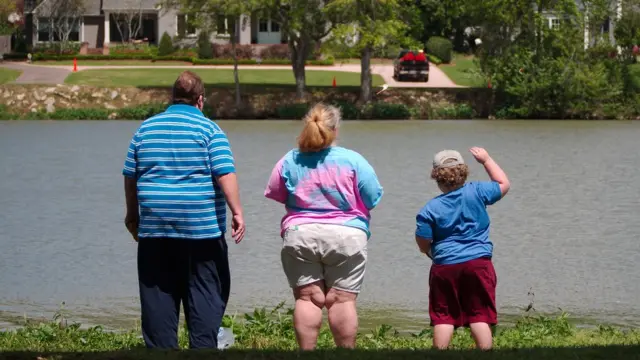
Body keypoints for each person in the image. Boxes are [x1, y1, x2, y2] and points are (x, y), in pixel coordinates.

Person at [122, 70, 245, 349]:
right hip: (202, 233)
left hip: (155, 231)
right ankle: (203, 347)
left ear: (172, 97)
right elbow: (224, 172)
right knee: (205, 294)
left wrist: (132, 215)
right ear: (200, 100)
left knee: (158, 299)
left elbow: (130, 175)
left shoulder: (145, 129)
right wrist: (237, 211)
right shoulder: (210, 130)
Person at [264, 103, 383, 350]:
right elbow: (372, 198)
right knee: (342, 301)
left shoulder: (289, 159)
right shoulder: (353, 160)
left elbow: (276, 193)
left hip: (301, 234)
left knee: (308, 299)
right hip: (347, 235)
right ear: (335, 130)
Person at [414, 147, 510, 350]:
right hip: (478, 264)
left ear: (436, 177)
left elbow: (423, 241)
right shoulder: (477, 191)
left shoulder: (429, 209)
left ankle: (439, 352)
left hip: (445, 266)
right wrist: (486, 160)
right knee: (479, 313)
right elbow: (503, 184)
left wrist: (430, 252)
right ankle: (485, 352)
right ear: (464, 172)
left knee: (444, 315)